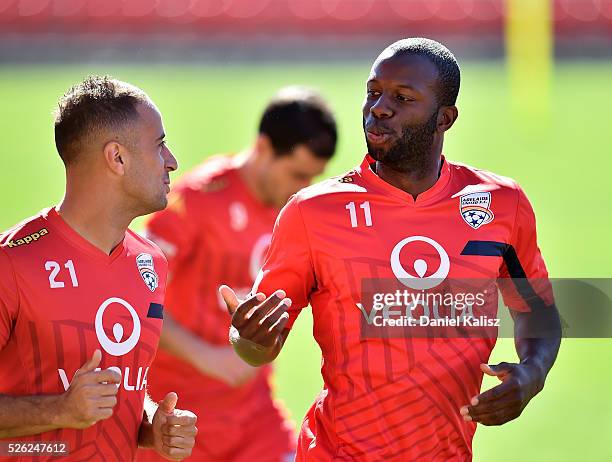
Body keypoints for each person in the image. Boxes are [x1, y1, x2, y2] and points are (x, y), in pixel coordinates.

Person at [221, 38, 562, 461]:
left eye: (402, 98)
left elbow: (538, 310)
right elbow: (258, 346)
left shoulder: (501, 204)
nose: (379, 107)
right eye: (373, 92)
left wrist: (532, 374)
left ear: (445, 118)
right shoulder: (313, 213)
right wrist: (249, 337)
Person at [0, 76, 197, 461]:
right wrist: (60, 411)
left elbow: (115, 391)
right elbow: (76, 406)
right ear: (116, 158)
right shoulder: (12, 263)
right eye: (159, 146)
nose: (172, 160)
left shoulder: (149, 263)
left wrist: (152, 424)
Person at [140, 87, 337, 462]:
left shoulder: (296, 214)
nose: (303, 189)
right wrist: (208, 357)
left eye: (311, 178)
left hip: (256, 419)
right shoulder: (200, 198)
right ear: (263, 148)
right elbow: (134, 292)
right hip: (178, 418)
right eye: (296, 174)